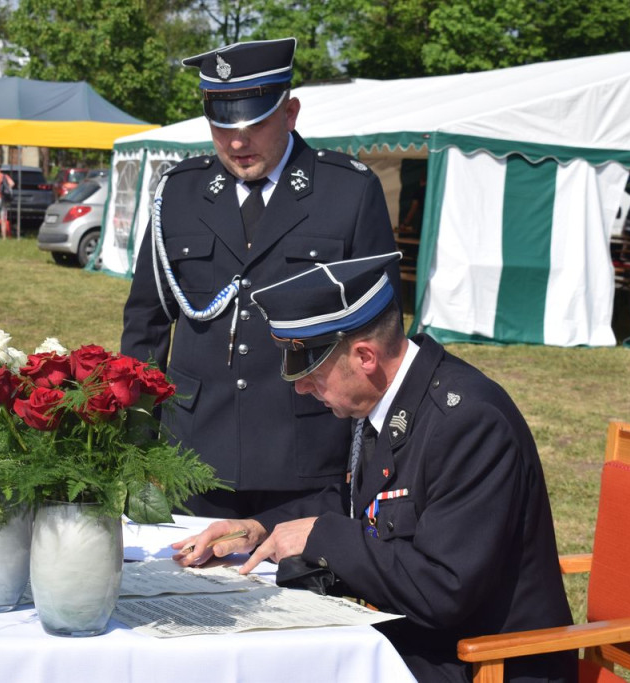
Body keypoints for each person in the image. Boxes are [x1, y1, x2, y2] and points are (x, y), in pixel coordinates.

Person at [173, 253, 577, 683]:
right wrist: (257, 527)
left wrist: (321, 536)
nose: (303, 387)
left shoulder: (467, 422)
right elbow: (361, 502)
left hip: (486, 661)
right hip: (418, 641)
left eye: (311, 370)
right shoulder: (391, 398)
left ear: (365, 357)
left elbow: (444, 589)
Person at [121, 37, 401, 518]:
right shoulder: (180, 194)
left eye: (255, 123)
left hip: (305, 453)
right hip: (192, 453)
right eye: (221, 125)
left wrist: (374, 451)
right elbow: (146, 322)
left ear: (290, 112)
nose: (235, 141)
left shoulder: (347, 192)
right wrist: (137, 443)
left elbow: (382, 333)